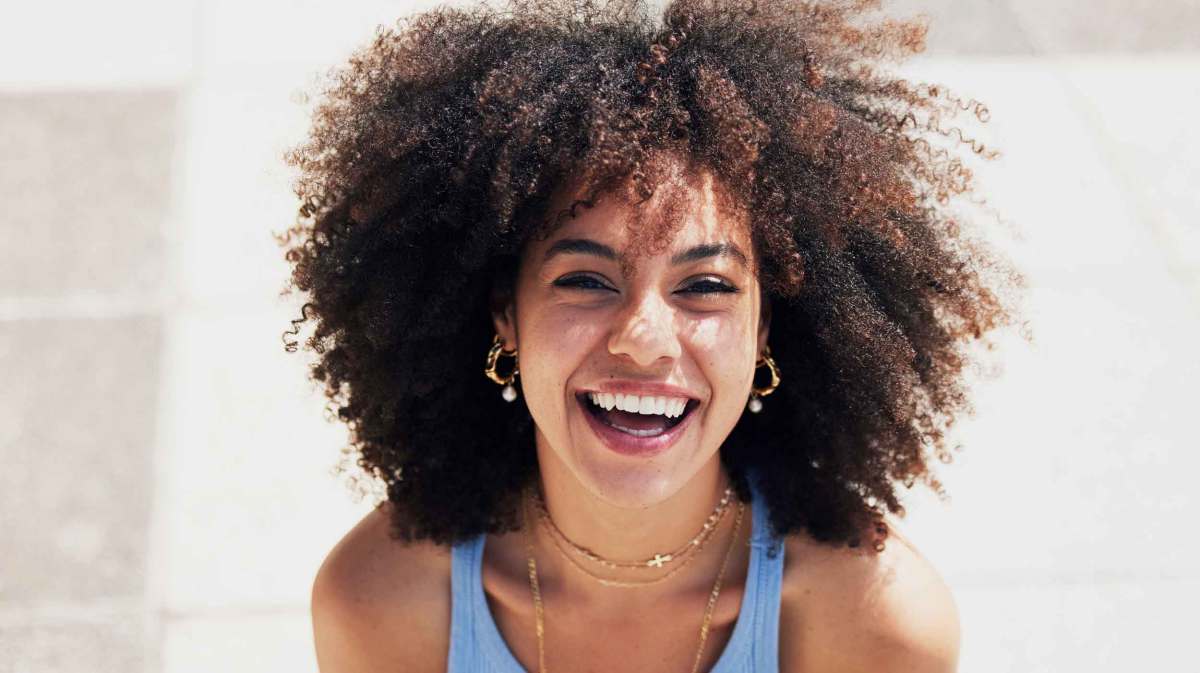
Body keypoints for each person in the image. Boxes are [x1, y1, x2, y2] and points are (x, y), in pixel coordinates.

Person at [278, 0, 1023, 670]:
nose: (642, 337)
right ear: (505, 312)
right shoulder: (381, 602)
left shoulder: (875, 625)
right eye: (586, 280)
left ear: (765, 330)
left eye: (705, 286)